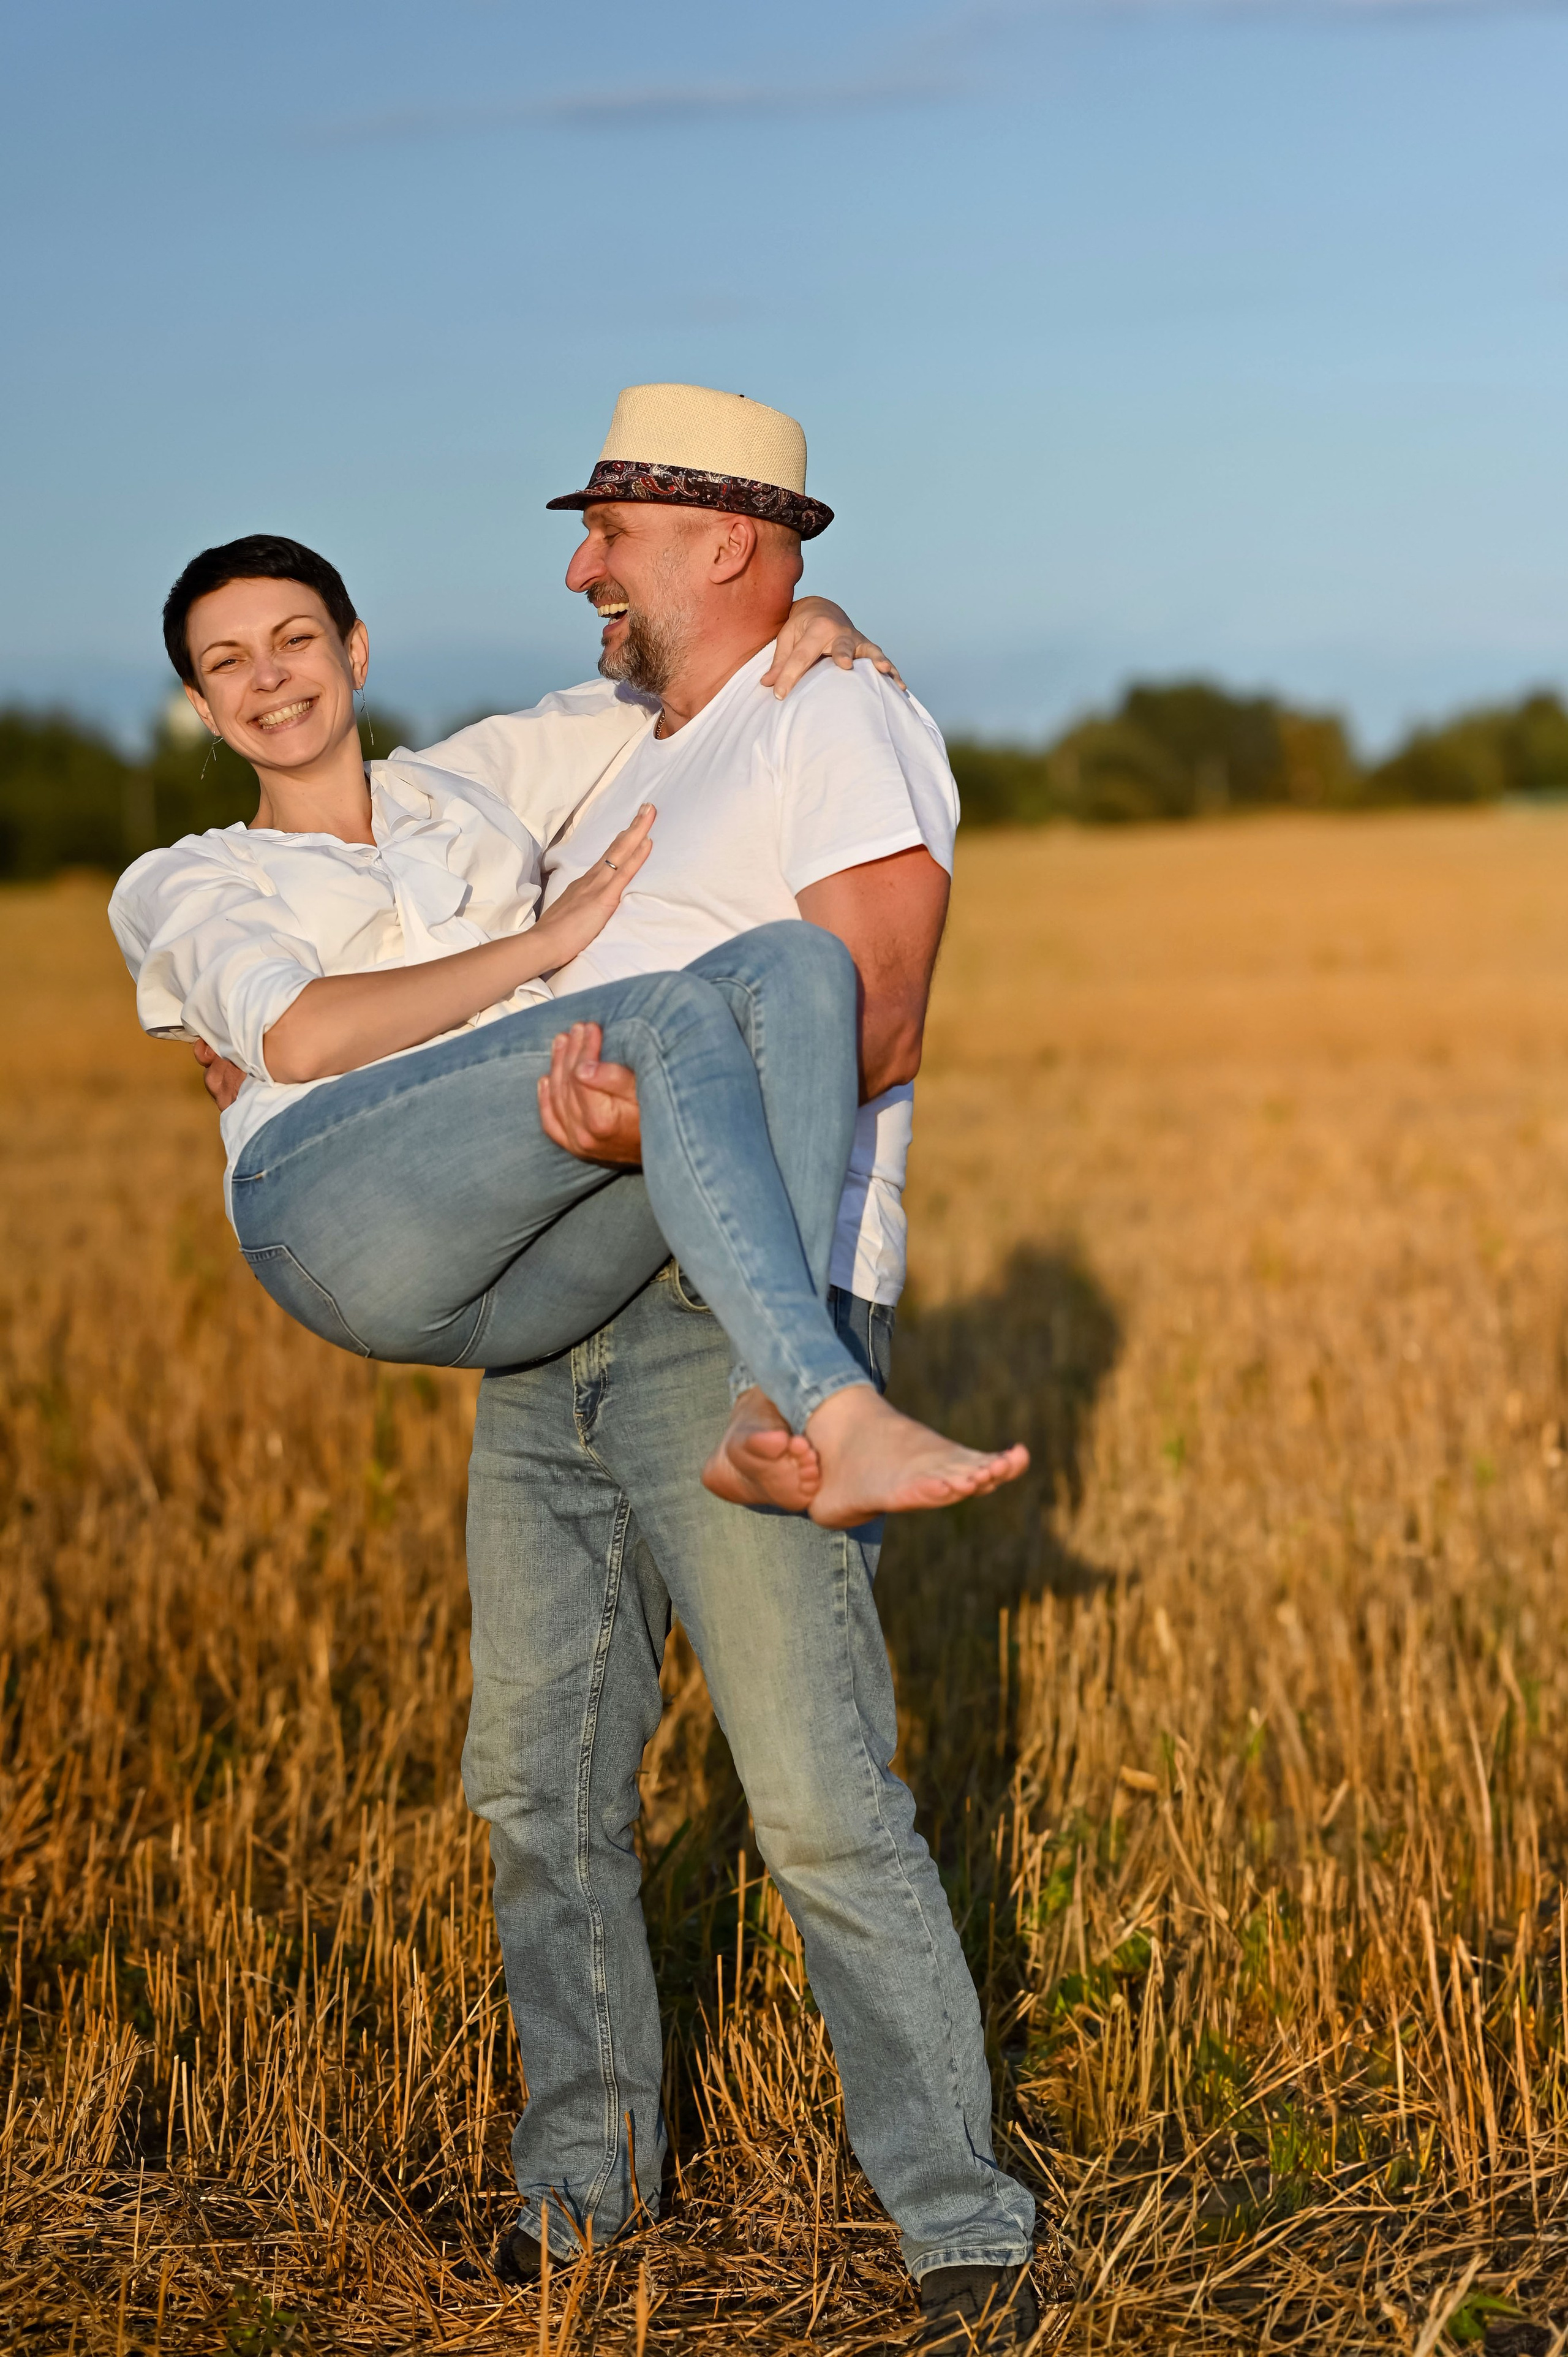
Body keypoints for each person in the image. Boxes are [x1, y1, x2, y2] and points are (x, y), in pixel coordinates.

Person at [380, 385, 1061, 2353]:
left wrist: (648, 1142)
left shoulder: (837, 718)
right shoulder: (613, 755)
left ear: (735, 544)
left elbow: (880, 1015)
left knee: (820, 1797)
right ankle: (580, 2202)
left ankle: (963, 2230)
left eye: (611, 527)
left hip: (732, 1325)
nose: (578, 564)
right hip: (550, 1326)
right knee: (537, 1784)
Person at [109, 533, 1031, 1528]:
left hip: (527, 1261)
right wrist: (541, 945)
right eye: (228, 663)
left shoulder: (466, 786)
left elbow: (696, 669)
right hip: (335, 1209)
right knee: (671, 1014)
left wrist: (817, 617)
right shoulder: (187, 878)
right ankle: (838, 1408)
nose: (270, 678)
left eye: (295, 639)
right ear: (202, 707)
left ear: (356, 652)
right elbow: (296, 1039)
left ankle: (769, 1403)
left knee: (798, 964)